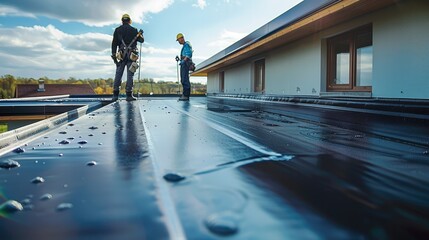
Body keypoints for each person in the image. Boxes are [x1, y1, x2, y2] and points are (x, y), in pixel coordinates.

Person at [111, 14, 144, 101]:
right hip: (131, 56)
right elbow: (141, 40)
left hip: (121, 56)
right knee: (130, 75)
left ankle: (115, 95)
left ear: (122, 21)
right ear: (130, 21)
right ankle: (129, 95)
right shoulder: (134, 30)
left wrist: (114, 56)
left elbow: (114, 43)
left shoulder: (118, 30)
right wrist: (141, 34)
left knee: (118, 74)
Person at [176, 33, 193, 101]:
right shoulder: (185, 46)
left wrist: (183, 61)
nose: (178, 42)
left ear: (182, 38)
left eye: (178, 40)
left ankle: (186, 96)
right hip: (184, 63)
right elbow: (185, 55)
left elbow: (189, 54)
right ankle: (185, 95)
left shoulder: (186, 45)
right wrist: (180, 59)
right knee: (184, 79)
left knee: (184, 79)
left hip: (185, 64)